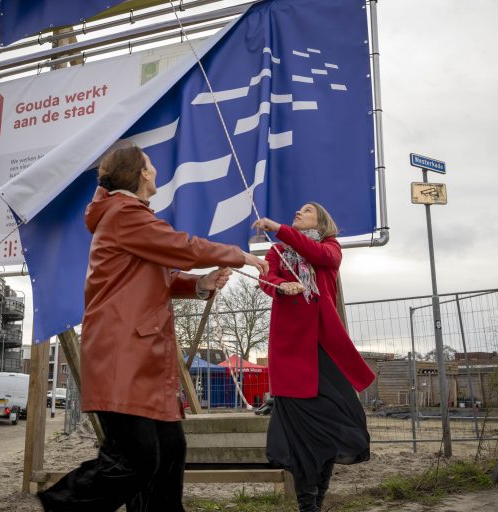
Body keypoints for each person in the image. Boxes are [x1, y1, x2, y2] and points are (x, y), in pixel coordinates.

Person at [37, 145, 268, 512]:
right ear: (142, 174)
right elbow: (183, 246)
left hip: (141, 358)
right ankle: (59, 504)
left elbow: (158, 273)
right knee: (137, 459)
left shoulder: (128, 216)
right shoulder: (124, 213)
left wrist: (200, 284)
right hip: (123, 356)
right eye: (150, 165)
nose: (156, 170)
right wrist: (238, 254)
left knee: (170, 451)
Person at [253, 204, 375, 512]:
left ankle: (317, 502)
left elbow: (319, 256)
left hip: (325, 351)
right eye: (296, 210)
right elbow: (265, 281)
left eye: (306, 211)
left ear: (321, 221)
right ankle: (308, 506)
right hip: (290, 354)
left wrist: (279, 228)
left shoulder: (329, 247)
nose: (297, 212)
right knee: (301, 438)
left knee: (330, 431)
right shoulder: (277, 252)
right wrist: (284, 285)